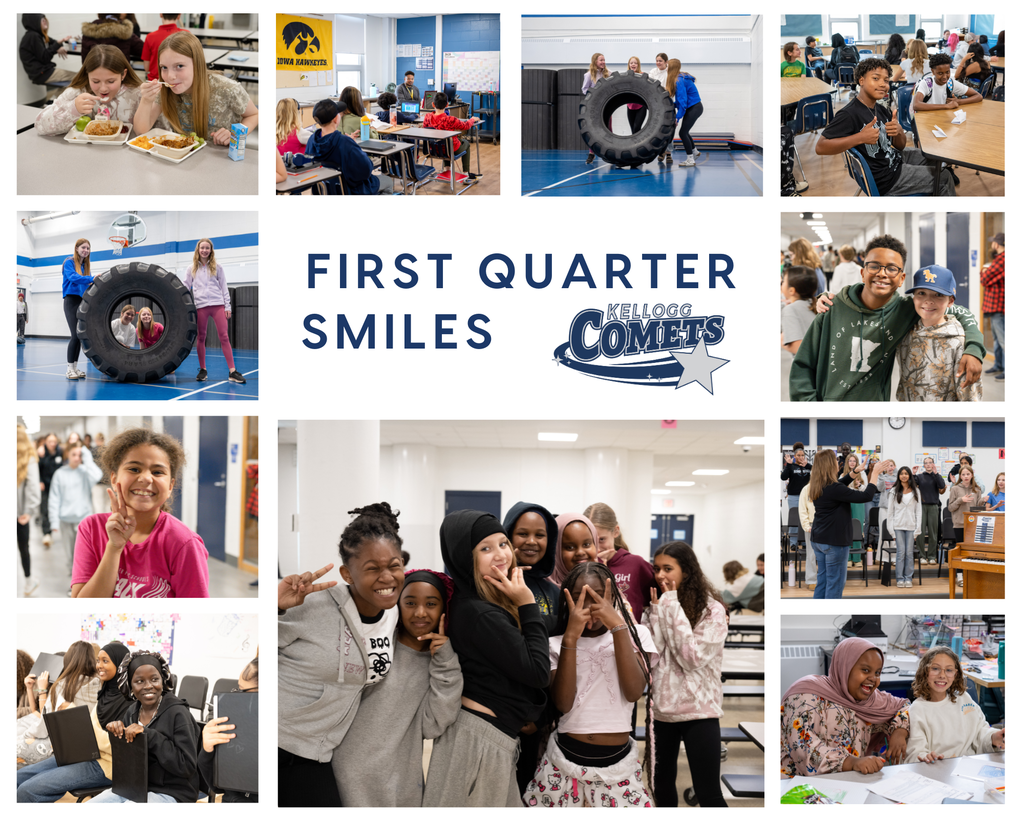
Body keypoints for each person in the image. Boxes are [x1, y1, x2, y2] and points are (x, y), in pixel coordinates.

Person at [278, 503, 403, 807]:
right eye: (372, 568)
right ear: (347, 573)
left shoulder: (393, 614)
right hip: (276, 741)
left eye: (394, 565)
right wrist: (276, 606)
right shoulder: (311, 604)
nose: (387, 577)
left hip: (319, 753)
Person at [423, 510, 549, 807]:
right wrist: (528, 604)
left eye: (503, 543)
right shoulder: (479, 613)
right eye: (485, 548)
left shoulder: (482, 602)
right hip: (479, 739)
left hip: (489, 736)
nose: (501, 554)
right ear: (465, 557)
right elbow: (538, 672)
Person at [522, 562, 656, 808]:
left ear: (612, 597)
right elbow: (563, 703)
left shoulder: (636, 634)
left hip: (618, 766)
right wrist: (571, 638)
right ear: (566, 601)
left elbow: (633, 692)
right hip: (564, 760)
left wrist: (618, 627)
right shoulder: (555, 643)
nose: (589, 606)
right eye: (579, 598)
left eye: (598, 596)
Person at [790, 235, 985, 401]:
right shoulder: (831, 308)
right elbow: (803, 365)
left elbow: (961, 312)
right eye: (874, 266)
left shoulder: (907, 309)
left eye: (892, 268)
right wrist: (809, 408)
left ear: (901, 279)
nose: (882, 273)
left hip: (875, 414)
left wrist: (974, 349)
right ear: (862, 272)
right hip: (827, 409)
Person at [335, 570, 461, 806]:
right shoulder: (376, 646)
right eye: (410, 603)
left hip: (401, 783)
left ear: (444, 609)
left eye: (431, 604)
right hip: (346, 772)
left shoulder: (441, 663)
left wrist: (445, 661)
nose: (420, 612)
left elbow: (433, 725)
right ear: (397, 606)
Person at [70, 427, 209, 598]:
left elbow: (195, 612)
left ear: (170, 486)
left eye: (157, 472)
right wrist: (113, 548)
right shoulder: (91, 529)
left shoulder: (184, 543)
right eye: (134, 469)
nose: (146, 478)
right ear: (114, 478)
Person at [642, 541, 728, 807]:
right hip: (662, 712)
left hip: (700, 711)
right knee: (661, 788)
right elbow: (651, 657)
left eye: (668, 568)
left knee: (708, 793)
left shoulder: (712, 610)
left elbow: (692, 658)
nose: (660, 575)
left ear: (687, 571)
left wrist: (670, 605)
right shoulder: (654, 605)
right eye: (657, 568)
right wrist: (657, 613)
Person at [817, 58, 957, 196]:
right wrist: (859, 138)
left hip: (894, 159)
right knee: (944, 178)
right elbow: (821, 147)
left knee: (934, 155)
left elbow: (900, 146)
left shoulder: (881, 109)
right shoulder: (849, 113)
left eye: (886, 80)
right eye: (876, 78)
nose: (883, 84)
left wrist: (899, 131)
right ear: (861, 80)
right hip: (887, 178)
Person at [17, 642, 131, 802]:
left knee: (27, 790)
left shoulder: (129, 701)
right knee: (17, 777)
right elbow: (91, 730)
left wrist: (74, 712)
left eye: (105, 661)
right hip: (84, 754)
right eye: (98, 660)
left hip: (107, 765)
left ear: (120, 665)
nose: (99, 665)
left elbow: (119, 745)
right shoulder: (104, 693)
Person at [781, 637, 909, 776]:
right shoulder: (805, 696)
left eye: (877, 673)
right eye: (866, 670)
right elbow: (802, 747)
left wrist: (900, 731)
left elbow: (904, 706)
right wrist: (851, 762)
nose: (873, 678)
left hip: (849, 781)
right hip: (797, 783)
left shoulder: (871, 700)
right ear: (845, 668)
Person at [91, 651, 199, 802]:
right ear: (130, 685)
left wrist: (150, 736)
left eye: (154, 679)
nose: (148, 686)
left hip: (173, 792)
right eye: (140, 681)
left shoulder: (178, 714)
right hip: (135, 788)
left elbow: (186, 767)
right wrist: (118, 734)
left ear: (163, 680)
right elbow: (129, 762)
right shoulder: (132, 712)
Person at [135, 31, 258, 146]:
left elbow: (254, 115)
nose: (170, 76)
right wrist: (146, 100)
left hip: (220, 154)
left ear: (197, 64)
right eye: (164, 67)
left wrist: (235, 135)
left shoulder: (227, 88)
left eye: (179, 66)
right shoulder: (165, 89)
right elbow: (140, 131)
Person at [806, 453, 893, 598]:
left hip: (819, 539)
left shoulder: (818, 485)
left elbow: (841, 483)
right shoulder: (834, 488)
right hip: (834, 542)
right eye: (835, 460)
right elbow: (866, 496)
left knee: (823, 581)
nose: (837, 462)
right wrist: (875, 474)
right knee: (835, 583)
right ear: (830, 465)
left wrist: (855, 471)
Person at [896, 265, 983, 401]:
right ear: (913, 297)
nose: (928, 300)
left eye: (938, 295)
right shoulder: (906, 331)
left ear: (951, 301)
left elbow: (970, 398)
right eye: (921, 293)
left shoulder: (958, 342)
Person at [905, 646, 1004, 762]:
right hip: (940, 767)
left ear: (955, 674)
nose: (942, 675)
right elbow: (915, 752)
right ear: (924, 671)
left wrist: (993, 737)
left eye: (948, 670)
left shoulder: (963, 698)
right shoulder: (918, 709)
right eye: (935, 668)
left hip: (970, 765)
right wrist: (926, 757)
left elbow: (980, 731)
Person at [17, 641, 102, 767]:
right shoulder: (101, 685)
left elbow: (44, 723)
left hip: (61, 746)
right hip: (90, 747)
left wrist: (25, 736)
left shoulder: (62, 685)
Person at [184, 238, 246, 384]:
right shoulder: (191, 268)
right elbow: (185, 287)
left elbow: (224, 287)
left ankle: (232, 371)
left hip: (218, 305)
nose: (204, 250)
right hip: (201, 306)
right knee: (201, 337)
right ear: (198, 250)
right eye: (202, 248)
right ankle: (203, 370)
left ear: (211, 250)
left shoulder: (218, 267)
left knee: (224, 336)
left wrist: (227, 306)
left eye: (207, 248)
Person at [199, 656, 260, 802]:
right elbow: (218, 786)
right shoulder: (234, 724)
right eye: (237, 689)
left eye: (242, 691)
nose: (236, 696)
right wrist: (207, 751)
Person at [583, 502, 655, 620]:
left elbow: (659, 599)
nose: (597, 548)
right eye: (590, 541)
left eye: (601, 539)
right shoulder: (583, 566)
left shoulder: (636, 564)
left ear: (616, 531)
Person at [47, 437, 103, 576]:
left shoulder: (86, 472)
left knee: (84, 555)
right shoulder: (60, 474)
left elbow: (98, 475)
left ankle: (84, 581)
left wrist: (87, 457)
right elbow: (54, 498)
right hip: (65, 520)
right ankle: (74, 583)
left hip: (83, 520)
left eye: (80, 455)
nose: (77, 458)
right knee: (70, 556)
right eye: (74, 454)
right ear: (68, 454)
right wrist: (54, 521)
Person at [306, 98, 380, 196]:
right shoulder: (345, 143)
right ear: (335, 119)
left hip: (322, 191)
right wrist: (355, 146)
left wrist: (349, 142)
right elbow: (366, 171)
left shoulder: (312, 140)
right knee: (386, 181)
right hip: (351, 191)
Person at [423, 92, 482, 182]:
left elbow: (424, 129)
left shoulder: (427, 117)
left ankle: (447, 170)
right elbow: (466, 126)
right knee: (465, 143)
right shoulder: (451, 119)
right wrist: (472, 119)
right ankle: (466, 174)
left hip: (434, 150)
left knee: (444, 142)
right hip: (450, 150)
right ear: (447, 105)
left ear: (433, 104)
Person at [911, 53, 982, 120]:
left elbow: (978, 96)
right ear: (933, 71)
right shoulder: (927, 83)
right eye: (940, 73)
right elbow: (916, 105)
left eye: (947, 72)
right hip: (924, 120)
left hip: (941, 118)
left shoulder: (950, 83)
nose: (945, 77)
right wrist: (946, 106)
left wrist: (959, 101)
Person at [60, 239, 94, 380]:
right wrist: (91, 278)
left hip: (81, 301)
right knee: (74, 335)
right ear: (77, 248)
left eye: (88, 248)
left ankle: (74, 367)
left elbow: (87, 283)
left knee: (79, 336)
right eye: (83, 247)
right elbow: (73, 277)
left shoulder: (86, 266)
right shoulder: (69, 262)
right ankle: (69, 369)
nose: (85, 250)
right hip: (71, 300)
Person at [19, 14, 76, 94]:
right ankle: (58, 100)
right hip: (42, 74)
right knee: (79, 77)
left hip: (43, 72)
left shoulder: (39, 35)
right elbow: (45, 57)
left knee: (74, 81)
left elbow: (53, 42)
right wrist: (57, 44)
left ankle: (58, 99)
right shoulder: (33, 36)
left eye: (45, 19)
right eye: (42, 20)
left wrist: (58, 45)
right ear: (34, 22)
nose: (45, 21)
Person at [887, 467, 922, 588]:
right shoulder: (893, 491)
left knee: (909, 553)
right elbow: (890, 513)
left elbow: (919, 512)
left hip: (911, 526)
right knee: (900, 553)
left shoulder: (916, 491)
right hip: (898, 526)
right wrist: (891, 531)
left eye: (906, 473)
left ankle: (908, 578)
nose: (904, 476)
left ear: (909, 476)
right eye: (901, 474)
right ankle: (899, 578)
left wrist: (917, 530)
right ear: (898, 476)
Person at [17, 426, 41, 597]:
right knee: (23, 547)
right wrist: (29, 510)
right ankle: (28, 582)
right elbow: (33, 486)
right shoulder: (28, 458)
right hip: (20, 514)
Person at [666, 59, 702, 168]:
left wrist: (677, 118)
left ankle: (690, 159)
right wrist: (670, 105)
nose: (666, 68)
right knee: (685, 132)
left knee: (682, 133)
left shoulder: (679, 80)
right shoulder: (680, 77)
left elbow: (683, 102)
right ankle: (695, 152)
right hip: (694, 107)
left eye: (667, 66)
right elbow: (680, 101)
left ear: (672, 67)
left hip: (694, 108)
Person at [551, 513, 602, 586]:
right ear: (556, 551)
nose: (580, 552)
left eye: (586, 544)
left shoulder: (606, 585)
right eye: (570, 547)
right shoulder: (546, 590)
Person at [911, 457, 946, 564]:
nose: (928, 464)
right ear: (924, 465)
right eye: (926, 463)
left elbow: (942, 486)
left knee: (933, 533)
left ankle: (931, 556)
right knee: (920, 533)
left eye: (930, 462)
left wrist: (936, 473)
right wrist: (913, 474)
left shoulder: (936, 476)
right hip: (921, 506)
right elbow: (912, 485)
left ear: (933, 464)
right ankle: (921, 556)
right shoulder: (920, 476)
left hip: (933, 507)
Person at [980, 233, 1004, 380]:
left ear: (997, 244)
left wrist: (984, 272)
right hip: (995, 306)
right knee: (997, 339)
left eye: (993, 242)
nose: (991, 245)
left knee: (1003, 339)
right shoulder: (998, 260)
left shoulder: (1002, 259)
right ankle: (999, 365)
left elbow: (984, 279)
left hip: (998, 306)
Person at [780, 267, 818, 356]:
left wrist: (781, 341)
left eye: (784, 281)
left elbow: (798, 348)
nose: (781, 283)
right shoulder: (813, 304)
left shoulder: (790, 310)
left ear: (791, 290)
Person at [582, 53, 610, 165]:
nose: (603, 62)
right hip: (594, 107)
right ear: (595, 62)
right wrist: (594, 95)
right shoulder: (589, 75)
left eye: (604, 60)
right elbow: (584, 89)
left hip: (607, 105)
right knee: (593, 130)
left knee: (608, 129)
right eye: (601, 60)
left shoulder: (608, 73)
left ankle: (610, 153)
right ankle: (591, 153)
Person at [140, 13, 184, 81]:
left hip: (155, 81)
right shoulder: (185, 35)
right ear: (179, 16)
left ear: (161, 14)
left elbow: (147, 68)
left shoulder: (150, 37)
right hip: (177, 81)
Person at [625, 57, 647, 134]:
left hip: (641, 106)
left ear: (638, 65)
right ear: (629, 65)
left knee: (637, 127)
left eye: (635, 63)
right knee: (633, 130)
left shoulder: (643, 76)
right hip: (630, 106)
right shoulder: (626, 76)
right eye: (631, 63)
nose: (633, 64)